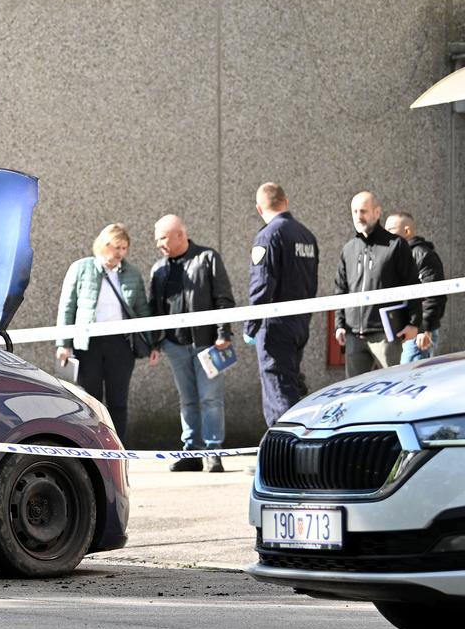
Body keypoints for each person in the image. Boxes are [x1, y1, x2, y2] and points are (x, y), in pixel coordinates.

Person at [149, 215, 235, 473]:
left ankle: (212, 452)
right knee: (187, 400)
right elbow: (155, 308)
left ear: (179, 234)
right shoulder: (159, 269)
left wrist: (224, 334)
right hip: (174, 345)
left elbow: (223, 298)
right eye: (157, 239)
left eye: (163, 238)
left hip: (208, 344)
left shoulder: (207, 258)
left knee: (211, 399)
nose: (159, 244)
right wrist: (155, 343)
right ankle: (191, 452)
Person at [56, 223, 157, 440]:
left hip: (120, 344)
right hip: (88, 344)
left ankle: (116, 448)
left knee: (118, 401)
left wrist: (152, 343)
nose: (120, 253)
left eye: (124, 248)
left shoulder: (132, 272)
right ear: (104, 245)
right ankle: (91, 447)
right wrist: (63, 343)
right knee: (89, 400)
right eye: (116, 247)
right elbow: (67, 307)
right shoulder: (81, 268)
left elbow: (142, 309)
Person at [247, 183, 319, 427]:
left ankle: (284, 453)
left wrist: (251, 327)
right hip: (299, 323)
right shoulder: (306, 235)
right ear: (285, 201)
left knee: (278, 391)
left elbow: (261, 285)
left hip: (275, 326)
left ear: (259, 208)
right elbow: (311, 283)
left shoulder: (268, 236)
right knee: (291, 385)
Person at [334, 191, 418, 376]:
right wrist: (339, 324)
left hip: (386, 335)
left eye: (363, 211)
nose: (358, 216)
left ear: (377, 212)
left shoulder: (396, 245)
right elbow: (341, 289)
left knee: (393, 388)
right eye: (354, 211)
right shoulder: (348, 249)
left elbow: (412, 285)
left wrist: (414, 323)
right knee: (354, 393)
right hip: (354, 335)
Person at [384, 211, 446, 362]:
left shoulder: (423, 255)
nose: (386, 234)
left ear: (407, 231)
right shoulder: (394, 257)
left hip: (417, 331)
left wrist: (424, 327)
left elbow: (433, 295)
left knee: (410, 378)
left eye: (391, 230)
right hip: (399, 330)